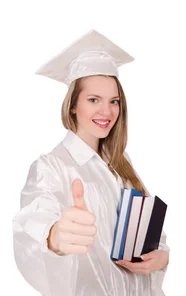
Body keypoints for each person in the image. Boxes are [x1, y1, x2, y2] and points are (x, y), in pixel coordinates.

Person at [12, 30, 169, 296]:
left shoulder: (122, 165)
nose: (106, 112)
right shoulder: (52, 167)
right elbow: (32, 225)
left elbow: (149, 235)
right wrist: (54, 237)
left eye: (114, 101)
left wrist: (161, 256)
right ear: (73, 105)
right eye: (93, 100)